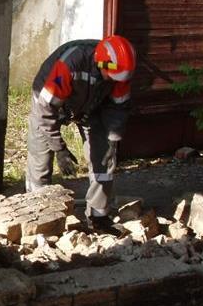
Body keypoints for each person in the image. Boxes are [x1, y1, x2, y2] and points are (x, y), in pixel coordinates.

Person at [26, 35, 136, 233]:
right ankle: (38, 220)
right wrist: (60, 149)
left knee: (104, 160)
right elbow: (45, 111)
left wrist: (113, 140)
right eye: (112, 76)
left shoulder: (120, 73)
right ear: (100, 62)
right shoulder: (69, 64)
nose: (114, 81)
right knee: (40, 160)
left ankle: (99, 217)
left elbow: (119, 108)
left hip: (90, 108)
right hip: (50, 102)